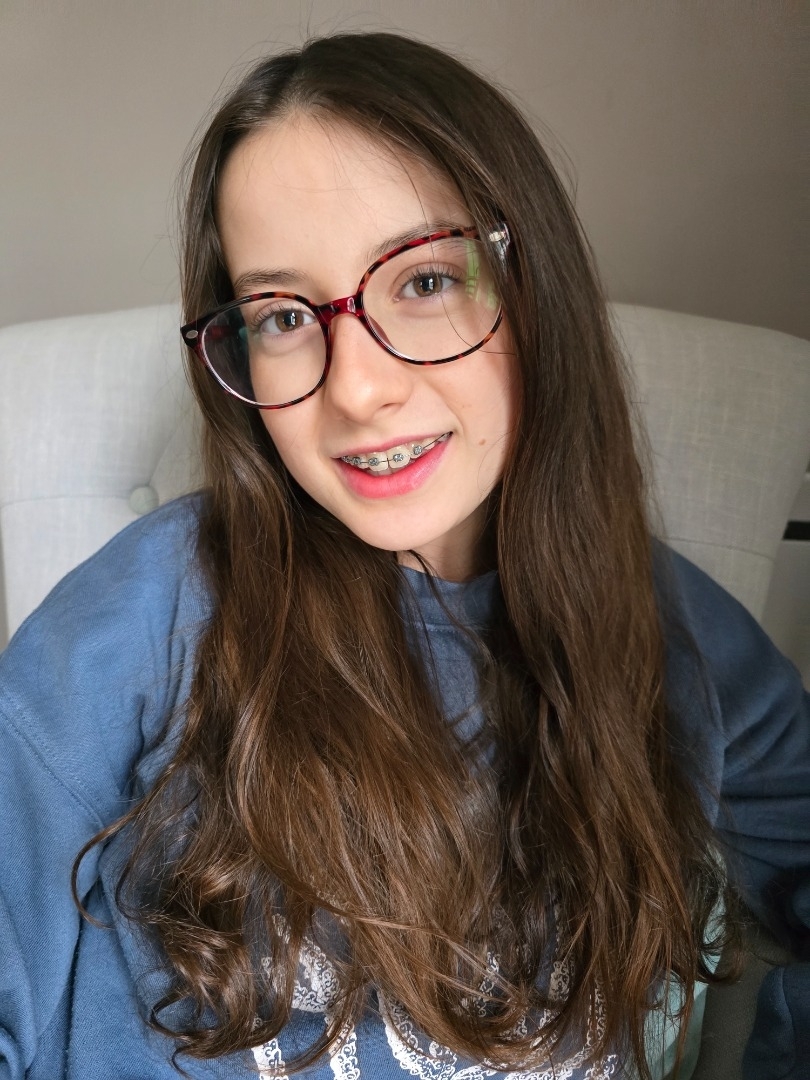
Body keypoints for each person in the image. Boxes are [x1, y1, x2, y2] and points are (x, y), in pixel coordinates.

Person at [0, 31, 807, 1080]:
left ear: (533, 288)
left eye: (423, 280)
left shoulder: (674, 633)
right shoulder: (144, 619)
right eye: (284, 316)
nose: (357, 387)